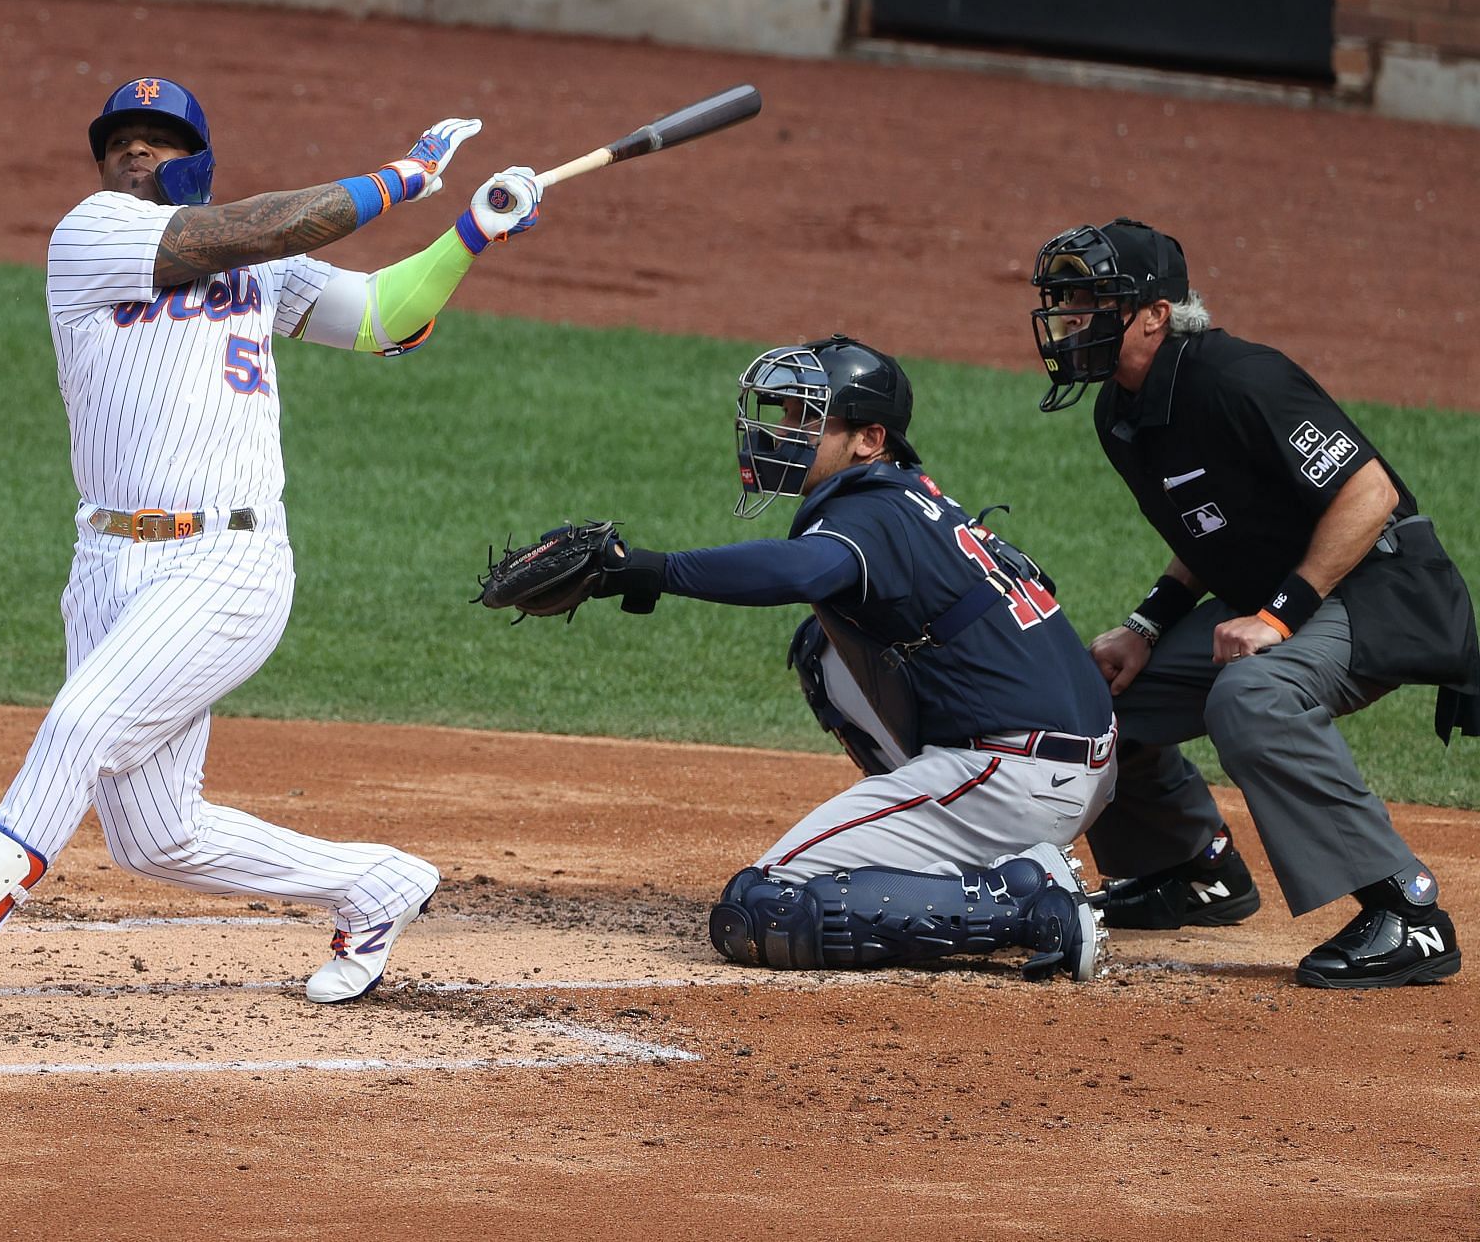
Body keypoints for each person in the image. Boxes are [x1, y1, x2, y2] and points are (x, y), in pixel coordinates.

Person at [0, 75, 544, 1028]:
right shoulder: (93, 235)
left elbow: (379, 318)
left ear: (196, 158)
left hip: (226, 566)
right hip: (108, 569)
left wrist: (473, 233)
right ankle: (375, 884)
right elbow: (253, 230)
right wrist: (404, 177)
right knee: (155, 838)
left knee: (78, 729)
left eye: (160, 141)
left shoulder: (262, 272)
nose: (138, 155)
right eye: (123, 144)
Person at [516, 337, 1121, 980]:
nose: (782, 433)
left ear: (868, 439)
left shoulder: (867, 512)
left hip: (1009, 777)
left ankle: (1029, 903)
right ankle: (968, 852)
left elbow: (806, 570)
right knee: (825, 646)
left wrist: (647, 571)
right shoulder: (911, 499)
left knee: (762, 909)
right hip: (1073, 762)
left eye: (807, 418)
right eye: (784, 414)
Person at [1030, 216, 1478, 988]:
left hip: (1385, 590)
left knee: (1253, 695)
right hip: (1296, 595)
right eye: (1065, 307)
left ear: (1154, 315)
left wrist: (1277, 617)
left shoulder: (1240, 379)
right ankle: (1191, 868)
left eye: (1090, 307)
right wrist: (1145, 627)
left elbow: (1371, 496)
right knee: (1094, 697)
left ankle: (1408, 913)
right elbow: (1210, 531)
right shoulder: (1122, 413)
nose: (1070, 326)